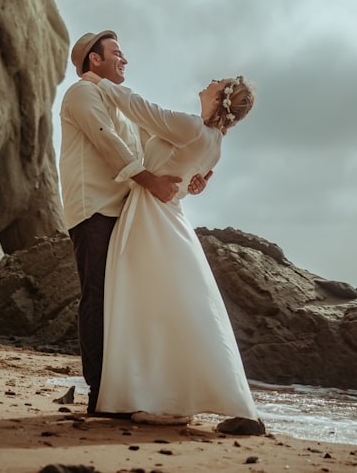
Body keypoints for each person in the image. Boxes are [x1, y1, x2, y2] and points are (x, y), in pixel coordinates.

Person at [80, 68, 264, 434]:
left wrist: (97, 81)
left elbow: (139, 108)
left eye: (218, 80)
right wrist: (195, 185)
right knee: (172, 307)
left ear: (220, 96)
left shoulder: (192, 128)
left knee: (148, 305)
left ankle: (162, 399)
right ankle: (171, 394)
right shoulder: (214, 143)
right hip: (169, 218)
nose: (210, 79)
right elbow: (192, 176)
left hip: (152, 218)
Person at [60, 30, 186, 415]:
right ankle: (100, 393)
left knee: (124, 300)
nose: (124, 59)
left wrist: (189, 175)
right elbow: (106, 141)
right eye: (116, 52)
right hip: (94, 208)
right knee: (97, 296)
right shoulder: (82, 93)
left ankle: (125, 388)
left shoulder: (120, 102)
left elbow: (149, 150)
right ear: (93, 60)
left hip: (127, 210)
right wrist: (152, 183)